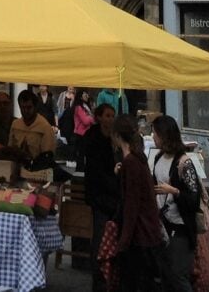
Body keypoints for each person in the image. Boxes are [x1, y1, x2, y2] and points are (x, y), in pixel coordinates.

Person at [111, 115, 163, 292]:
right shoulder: (137, 159)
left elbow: (131, 205)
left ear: (117, 136)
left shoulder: (131, 162)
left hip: (140, 236)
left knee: (135, 284)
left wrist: (123, 241)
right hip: (147, 233)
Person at [151, 115, 201, 292]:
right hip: (162, 224)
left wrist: (174, 191)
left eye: (155, 133)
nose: (153, 136)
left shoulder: (183, 162)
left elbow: (194, 199)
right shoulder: (158, 158)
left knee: (178, 274)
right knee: (165, 273)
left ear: (164, 135)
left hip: (180, 226)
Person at [82, 103, 119, 292]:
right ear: (98, 117)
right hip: (99, 196)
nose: (110, 119)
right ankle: (98, 279)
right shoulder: (93, 138)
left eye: (113, 115)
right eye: (107, 115)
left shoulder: (115, 139)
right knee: (99, 238)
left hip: (114, 197)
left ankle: (110, 277)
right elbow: (94, 170)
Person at [5, 89, 57, 168]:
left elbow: (47, 157)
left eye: (29, 107)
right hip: (17, 168)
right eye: (23, 107)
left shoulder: (45, 127)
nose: (26, 111)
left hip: (38, 170)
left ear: (35, 107)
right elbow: (10, 149)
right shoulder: (15, 124)